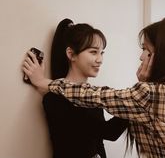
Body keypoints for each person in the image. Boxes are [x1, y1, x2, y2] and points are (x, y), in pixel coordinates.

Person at [23, 17, 165, 158]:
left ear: (163, 56)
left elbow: (99, 105)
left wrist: (45, 82)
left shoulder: (150, 94)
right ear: (71, 54)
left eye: (147, 51)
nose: (141, 57)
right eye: (93, 52)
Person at [34, 18, 128, 158]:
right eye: (93, 52)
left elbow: (98, 143)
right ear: (71, 54)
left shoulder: (91, 94)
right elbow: (109, 132)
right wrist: (136, 101)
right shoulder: (55, 98)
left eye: (101, 53)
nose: (100, 59)